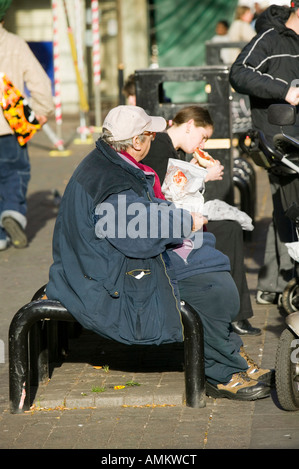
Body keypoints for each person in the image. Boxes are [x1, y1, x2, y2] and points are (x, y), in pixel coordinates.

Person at [45, 104, 272, 400]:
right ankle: (221, 372)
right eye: (150, 135)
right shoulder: (111, 178)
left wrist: (179, 220)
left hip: (107, 259)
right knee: (210, 287)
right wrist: (184, 221)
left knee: (209, 259)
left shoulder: (110, 162)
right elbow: (136, 232)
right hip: (106, 276)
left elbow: (141, 215)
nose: (154, 139)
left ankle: (229, 354)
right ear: (137, 141)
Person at [143, 105, 261, 336]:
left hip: (173, 219)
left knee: (229, 228)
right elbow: (165, 191)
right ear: (189, 126)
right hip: (164, 224)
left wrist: (195, 171)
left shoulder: (173, 149)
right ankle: (236, 314)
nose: (203, 145)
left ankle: (235, 312)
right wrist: (203, 176)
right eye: (203, 136)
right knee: (229, 230)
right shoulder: (160, 146)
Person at [229, 1, 299, 305]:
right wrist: (284, 91)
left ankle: (273, 284)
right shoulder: (270, 37)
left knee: (285, 209)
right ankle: (285, 283)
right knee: (288, 208)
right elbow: (238, 73)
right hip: (281, 143)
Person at [0, 0, 54, 251]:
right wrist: (42, 111)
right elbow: (39, 81)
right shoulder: (14, 44)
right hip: (11, 123)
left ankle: (1, 236)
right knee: (15, 172)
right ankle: (11, 212)